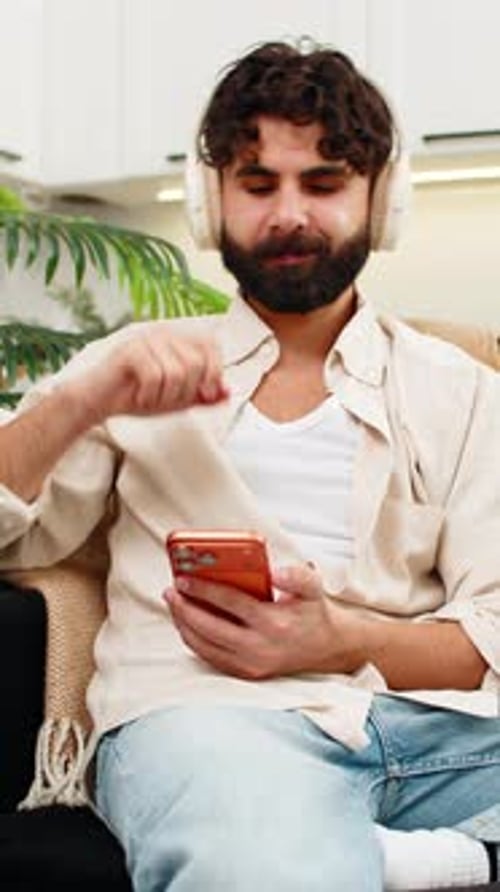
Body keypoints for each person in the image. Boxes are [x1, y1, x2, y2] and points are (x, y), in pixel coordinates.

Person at [1, 39, 500, 892]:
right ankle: (389, 854)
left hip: (435, 734)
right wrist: (80, 401)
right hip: (211, 724)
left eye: (325, 183)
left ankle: (387, 854)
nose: (289, 214)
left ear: (383, 202)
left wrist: (343, 640)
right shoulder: (131, 369)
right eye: (258, 184)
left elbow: (490, 631)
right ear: (211, 202)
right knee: (266, 868)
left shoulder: (463, 390)